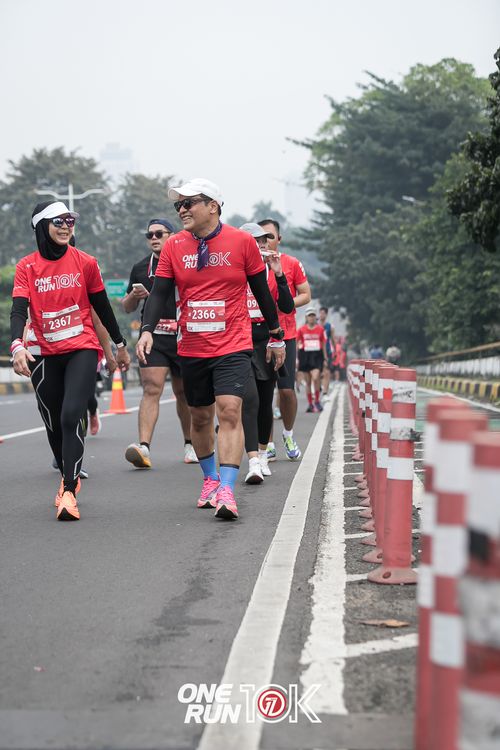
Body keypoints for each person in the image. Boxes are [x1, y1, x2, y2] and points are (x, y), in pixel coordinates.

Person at [136, 178, 286, 520]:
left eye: (189, 203)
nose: (182, 210)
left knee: (230, 411)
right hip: (191, 346)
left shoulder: (241, 242)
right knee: (201, 417)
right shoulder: (174, 246)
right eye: (179, 205)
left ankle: (228, 490)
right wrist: (146, 331)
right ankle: (210, 479)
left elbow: (261, 291)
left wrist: (276, 334)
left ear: (213, 206)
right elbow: (160, 293)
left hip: (233, 343)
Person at [10, 200, 130, 521]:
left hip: (81, 347)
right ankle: (67, 473)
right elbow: (18, 310)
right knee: (52, 422)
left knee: (70, 415)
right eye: (58, 221)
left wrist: (119, 345)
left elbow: (102, 307)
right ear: (41, 227)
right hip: (43, 352)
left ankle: (68, 489)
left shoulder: (86, 263)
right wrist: (17, 345)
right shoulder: (27, 267)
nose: (66, 227)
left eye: (70, 221)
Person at [121, 218, 197, 468]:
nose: (153, 238)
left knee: (184, 392)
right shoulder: (141, 268)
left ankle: (191, 444)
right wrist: (134, 295)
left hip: (185, 335)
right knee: (151, 388)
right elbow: (127, 307)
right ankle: (144, 448)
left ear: (172, 235)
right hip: (153, 336)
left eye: (159, 233)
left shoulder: (188, 261)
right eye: (149, 234)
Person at [239, 223, 294, 483]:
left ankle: (262, 453)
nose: (261, 246)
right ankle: (252, 460)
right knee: (248, 399)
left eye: (263, 241)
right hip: (239, 339)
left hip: (267, 341)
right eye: (255, 241)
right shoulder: (235, 270)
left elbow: (287, 306)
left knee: (264, 400)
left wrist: (279, 274)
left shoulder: (272, 270)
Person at [257, 219, 311, 461]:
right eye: (260, 237)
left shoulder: (290, 263)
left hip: (285, 335)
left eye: (269, 236)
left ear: (279, 239)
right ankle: (266, 442)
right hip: (258, 336)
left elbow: (306, 295)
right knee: (263, 393)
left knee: (286, 391)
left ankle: (288, 434)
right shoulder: (249, 265)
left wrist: (284, 304)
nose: (265, 241)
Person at [297, 308, 327, 412]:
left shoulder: (320, 330)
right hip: (305, 356)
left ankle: (317, 401)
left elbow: (323, 344)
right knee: (308, 382)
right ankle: (310, 404)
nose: (311, 317)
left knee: (315, 377)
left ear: (315, 317)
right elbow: (297, 343)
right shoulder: (301, 330)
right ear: (306, 317)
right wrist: (296, 358)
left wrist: (325, 358)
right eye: (310, 316)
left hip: (317, 356)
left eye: (313, 315)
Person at [318, 306, 335, 399]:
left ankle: (325, 391)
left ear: (326, 314)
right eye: (320, 313)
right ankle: (319, 386)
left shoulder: (330, 326)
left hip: (327, 350)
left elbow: (332, 339)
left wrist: (335, 350)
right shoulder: (315, 325)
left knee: (327, 371)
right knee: (318, 372)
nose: (321, 315)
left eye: (323, 313)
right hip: (317, 350)